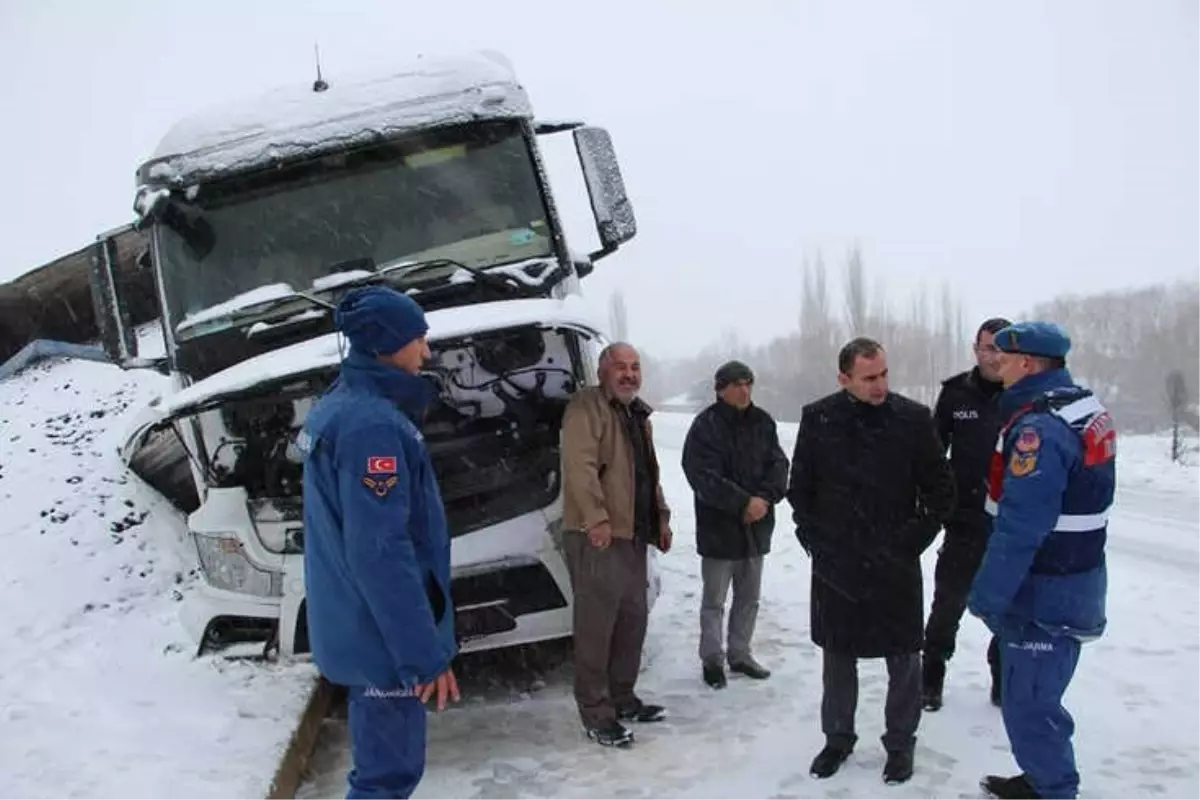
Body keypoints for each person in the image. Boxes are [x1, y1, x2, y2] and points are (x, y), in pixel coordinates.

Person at [298, 285, 460, 799]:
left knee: (382, 773)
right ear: (389, 343)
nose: (427, 352)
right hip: (381, 642)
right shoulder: (372, 427)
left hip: (359, 627)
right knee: (387, 778)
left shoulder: (340, 406)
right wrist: (422, 655)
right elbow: (380, 554)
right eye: (418, 339)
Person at [787, 337, 956, 786]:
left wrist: (910, 542)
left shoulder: (914, 420)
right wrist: (817, 542)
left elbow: (942, 492)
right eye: (869, 378)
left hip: (894, 560)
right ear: (844, 379)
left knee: (904, 658)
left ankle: (900, 744)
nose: (880, 385)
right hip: (836, 563)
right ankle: (837, 739)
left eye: (884, 374)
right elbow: (799, 490)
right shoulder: (819, 418)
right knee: (838, 657)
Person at [968, 322, 1115, 800]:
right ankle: (1041, 780)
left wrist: (988, 596)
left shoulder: (1039, 430)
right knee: (1035, 697)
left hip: (1044, 592)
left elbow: (1021, 526)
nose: (996, 364)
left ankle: (1053, 790)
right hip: (1071, 581)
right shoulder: (1076, 406)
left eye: (1004, 358)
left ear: (1028, 364)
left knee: (1030, 704)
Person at [560, 341, 674, 748]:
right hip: (598, 536)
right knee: (596, 629)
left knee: (631, 622)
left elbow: (648, 475)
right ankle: (596, 713)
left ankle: (623, 698)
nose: (629, 374)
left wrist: (660, 518)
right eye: (620, 367)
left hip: (633, 536)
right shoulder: (585, 409)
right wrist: (597, 519)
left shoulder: (636, 413)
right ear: (602, 372)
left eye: (635, 367)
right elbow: (580, 466)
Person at [681, 360, 790, 689]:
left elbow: (779, 464)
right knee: (714, 600)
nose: (744, 390)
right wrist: (742, 502)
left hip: (756, 529)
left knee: (749, 598)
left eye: (748, 383)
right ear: (720, 389)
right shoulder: (706, 426)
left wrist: (764, 499)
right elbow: (701, 475)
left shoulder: (763, 422)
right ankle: (711, 658)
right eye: (736, 384)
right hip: (720, 529)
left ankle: (740, 654)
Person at [922, 317, 1012, 711]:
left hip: (1011, 525)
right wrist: (939, 504)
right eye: (986, 347)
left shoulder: (1025, 396)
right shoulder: (957, 394)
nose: (993, 356)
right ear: (975, 349)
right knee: (948, 602)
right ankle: (932, 673)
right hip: (965, 521)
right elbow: (931, 455)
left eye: (1001, 348)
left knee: (1010, 606)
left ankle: (1003, 676)